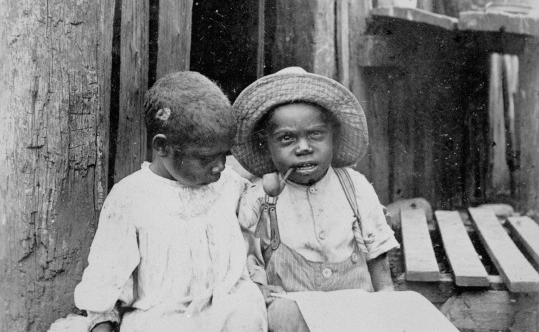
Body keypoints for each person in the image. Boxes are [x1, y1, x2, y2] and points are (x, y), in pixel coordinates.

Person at [66, 71, 267, 332]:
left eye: (224, 155)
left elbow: (254, 221)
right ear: (162, 147)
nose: (219, 166)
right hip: (164, 313)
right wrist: (102, 319)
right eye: (206, 158)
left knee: (246, 312)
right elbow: (108, 268)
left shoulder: (229, 184)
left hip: (224, 305)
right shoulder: (131, 197)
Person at [232, 67, 400, 332]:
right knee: (278, 314)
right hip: (296, 309)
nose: (303, 148)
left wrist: (386, 298)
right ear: (267, 144)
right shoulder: (260, 197)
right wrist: (259, 287)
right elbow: (246, 259)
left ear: (333, 135)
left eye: (315, 135)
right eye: (287, 138)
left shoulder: (353, 186)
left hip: (354, 309)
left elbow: (378, 253)